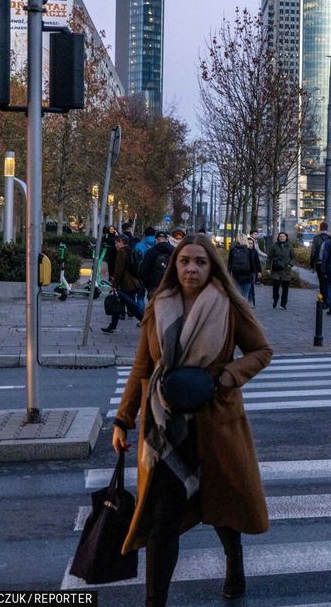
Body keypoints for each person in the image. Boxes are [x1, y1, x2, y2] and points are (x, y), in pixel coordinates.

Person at [111, 234, 273, 606]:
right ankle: (155, 599)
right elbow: (142, 368)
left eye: (200, 262)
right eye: (185, 261)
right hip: (166, 427)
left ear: (211, 266)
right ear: (174, 265)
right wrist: (122, 419)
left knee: (221, 507)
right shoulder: (158, 305)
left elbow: (262, 351)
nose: (191, 268)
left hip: (216, 422)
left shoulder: (228, 305)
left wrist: (225, 378)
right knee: (162, 518)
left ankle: (234, 562)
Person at [102, 235, 145, 334]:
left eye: (117, 242)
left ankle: (146, 321)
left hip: (126, 283)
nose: (115, 245)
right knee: (118, 304)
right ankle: (112, 326)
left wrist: (114, 284)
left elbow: (119, 270)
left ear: (121, 242)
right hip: (132, 282)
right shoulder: (130, 250)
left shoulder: (121, 252)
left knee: (131, 306)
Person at [139, 231, 177, 300]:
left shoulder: (150, 252)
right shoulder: (174, 251)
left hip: (154, 287)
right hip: (170, 287)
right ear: (166, 239)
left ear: (156, 240)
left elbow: (144, 270)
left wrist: (148, 285)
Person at [227, 235, 260, 305]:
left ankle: (238, 308)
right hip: (247, 275)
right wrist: (253, 273)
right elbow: (251, 264)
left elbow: (229, 264)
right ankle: (244, 309)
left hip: (236, 275)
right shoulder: (248, 250)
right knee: (245, 294)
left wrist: (228, 274)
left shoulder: (233, 250)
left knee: (238, 293)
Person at [268, 232, 295, 309]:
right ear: (278, 237)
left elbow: (293, 257)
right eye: (280, 236)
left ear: (286, 237)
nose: (282, 238)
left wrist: (290, 264)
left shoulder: (289, 246)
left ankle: (283, 304)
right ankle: (275, 300)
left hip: (286, 270)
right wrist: (268, 267)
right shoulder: (274, 246)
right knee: (275, 287)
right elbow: (269, 257)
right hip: (276, 270)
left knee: (285, 288)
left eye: (283, 236)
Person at [309, 222, 330, 293]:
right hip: (329, 263)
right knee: (328, 282)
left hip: (319, 262)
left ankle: (322, 298)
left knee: (321, 281)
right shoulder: (330, 238)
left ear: (320, 228)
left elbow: (313, 252)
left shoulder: (316, 238)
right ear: (327, 228)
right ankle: (328, 299)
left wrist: (311, 265)